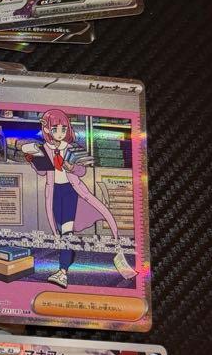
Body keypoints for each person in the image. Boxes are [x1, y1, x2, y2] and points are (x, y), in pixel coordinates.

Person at [21, 108, 135, 288]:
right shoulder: (45, 149)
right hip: (54, 194)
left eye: (63, 129)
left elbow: (82, 171)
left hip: (71, 192)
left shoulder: (72, 148)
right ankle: (68, 258)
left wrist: (71, 167)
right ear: (47, 130)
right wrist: (32, 160)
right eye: (55, 129)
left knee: (66, 233)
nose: (60, 133)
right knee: (61, 232)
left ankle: (62, 272)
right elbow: (43, 172)